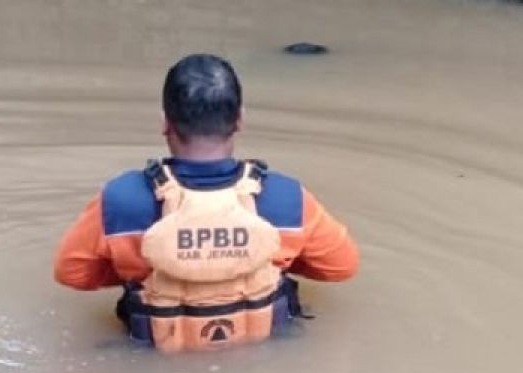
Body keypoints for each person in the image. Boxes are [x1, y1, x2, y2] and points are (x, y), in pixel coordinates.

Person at [54, 53, 359, 352]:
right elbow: (341, 267)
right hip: (259, 358)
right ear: (240, 120)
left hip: (157, 360)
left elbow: (72, 273)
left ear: (165, 123)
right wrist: (270, 261)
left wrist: (137, 268)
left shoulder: (119, 201)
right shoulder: (287, 198)